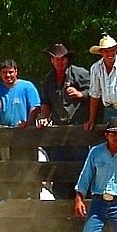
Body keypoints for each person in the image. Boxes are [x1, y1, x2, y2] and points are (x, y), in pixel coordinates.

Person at [33, 43, 91, 199]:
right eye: (56, 59)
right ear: (52, 61)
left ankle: (82, 206)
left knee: (81, 171)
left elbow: (95, 93)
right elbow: (46, 102)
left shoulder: (80, 74)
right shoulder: (48, 79)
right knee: (58, 173)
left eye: (63, 59)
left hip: (79, 131)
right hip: (59, 132)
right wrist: (44, 118)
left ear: (67, 60)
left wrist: (80, 94)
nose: (60, 62)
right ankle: (61, 210)